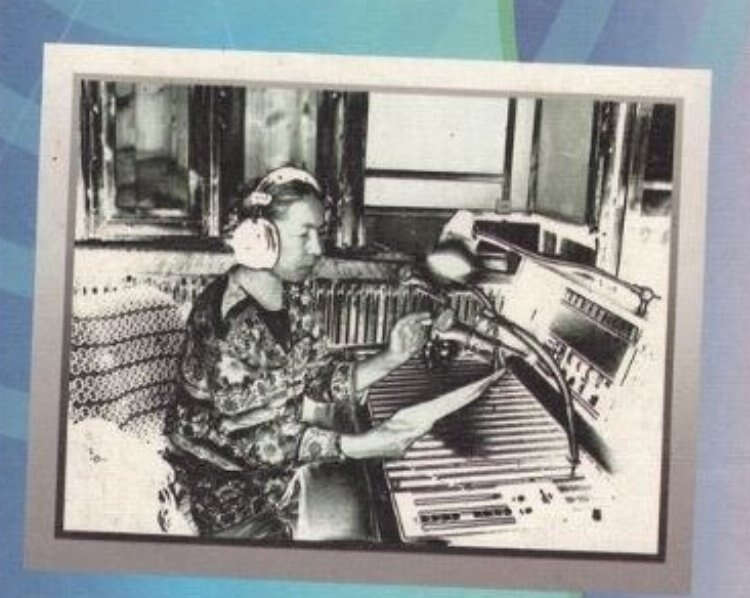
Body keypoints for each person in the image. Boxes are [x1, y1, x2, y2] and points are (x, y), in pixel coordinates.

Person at [166, 166, 432, 540]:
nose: (317, 249)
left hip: (279, 485)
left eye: (319, 233)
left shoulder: (296, 293)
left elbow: (318, 376)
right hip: (225, 500)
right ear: (261, 238)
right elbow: (246, 438)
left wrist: (392, 356)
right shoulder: (226, 318)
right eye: (303, 234)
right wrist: (358, 445)